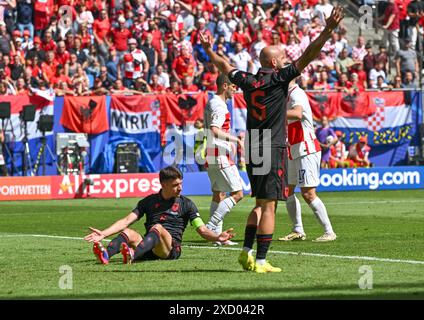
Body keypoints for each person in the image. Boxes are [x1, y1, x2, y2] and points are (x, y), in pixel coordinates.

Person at [200, 6, 344, 273]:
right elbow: (309, 54)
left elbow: (223, 65)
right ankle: (262, 261)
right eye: (284, 57)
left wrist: (208, 49)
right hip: (272, 145)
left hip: (253, 145)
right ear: (275, 63)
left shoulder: (247, 80)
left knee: (259, 202)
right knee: (268, 207)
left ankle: (246, 252)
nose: (288, 59)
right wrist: (328, 30)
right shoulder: (280, 79)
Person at [84, 166, 235, 264]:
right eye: (175, 185)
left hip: (170, 249)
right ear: (163, 185)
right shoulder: (149, 201)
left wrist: (217, 237)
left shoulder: (187, 204)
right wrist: (103, 233)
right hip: (150, 246)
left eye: (181, 184)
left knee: (157, 227)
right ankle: (105, 255)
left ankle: (133, 255)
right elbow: (126, 221)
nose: (180, 188)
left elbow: (201, 229)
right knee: (127, 232)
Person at [279, 79, 336, 243]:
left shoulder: (297, 93)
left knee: (308, 193)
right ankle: (298, 230)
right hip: (293, 148)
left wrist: (275, 112)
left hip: (306, 149)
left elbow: (297, 113)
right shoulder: (286, 95)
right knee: (287, 190)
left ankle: (329, 231)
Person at [204, 74, 244, 246]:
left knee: (218, 194)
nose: (236, 90)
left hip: (213, 153)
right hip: (220, 155)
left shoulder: (212, 102)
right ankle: (211, 226)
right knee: (238, 194)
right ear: (225, 86)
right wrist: (236, 140)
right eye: (234, 86)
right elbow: (215, 130)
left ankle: (217, 237)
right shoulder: (219, 105)